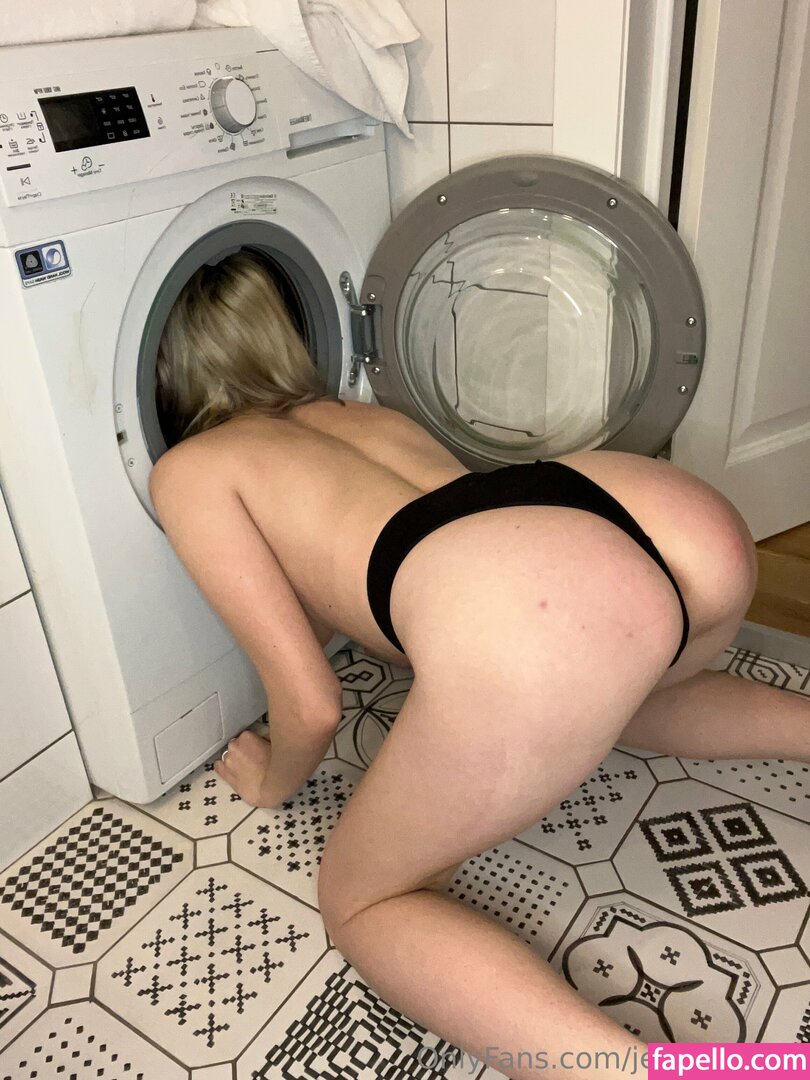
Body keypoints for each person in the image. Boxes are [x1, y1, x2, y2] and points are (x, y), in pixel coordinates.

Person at [150, 249, 808, 1080]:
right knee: (608, 684)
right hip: (653, 514)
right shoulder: (362, 413)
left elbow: (311, 705)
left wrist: (271, 782)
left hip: (550, 601)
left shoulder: (190, 470)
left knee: (363, 901)